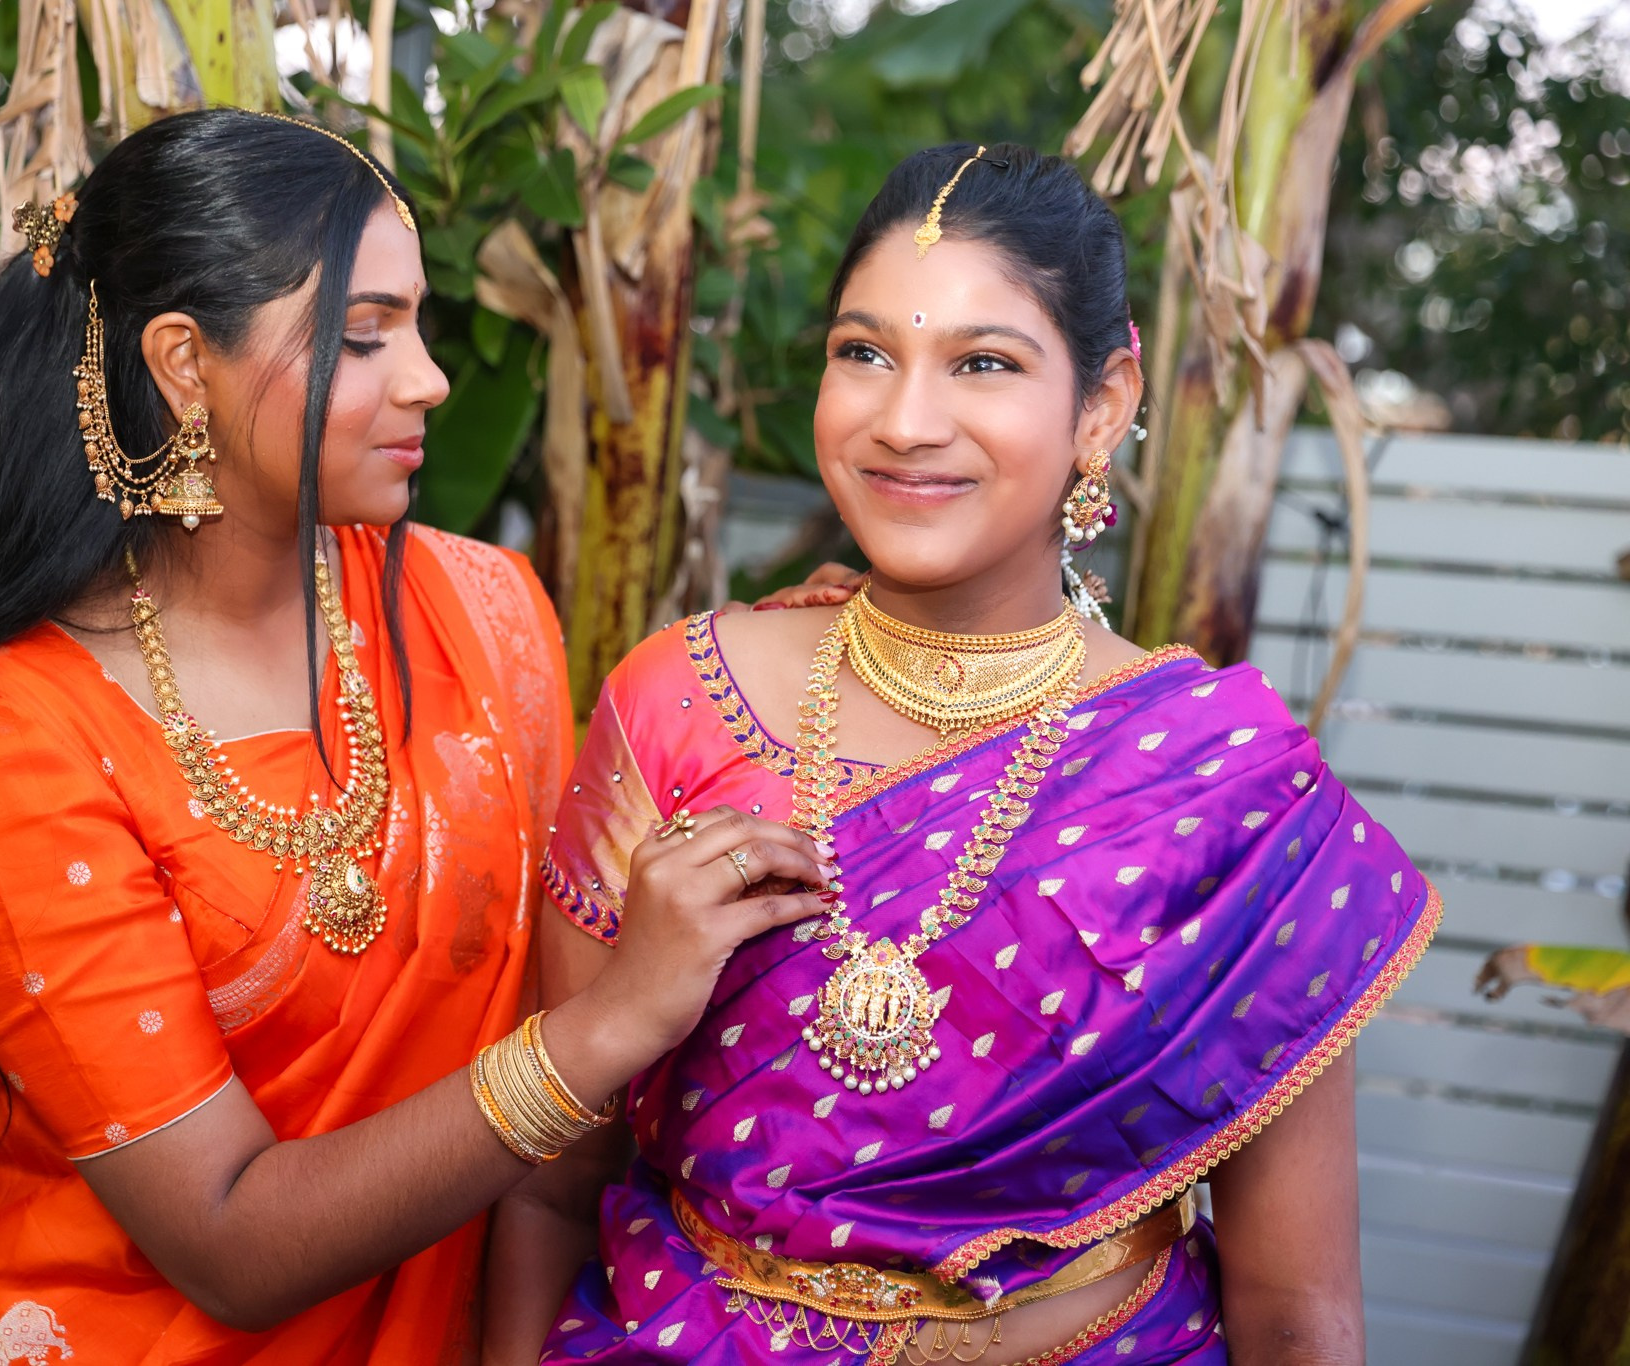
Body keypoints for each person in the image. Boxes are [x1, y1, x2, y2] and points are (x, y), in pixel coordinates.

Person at [0, 109, 835, 1365]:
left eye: (419, 324)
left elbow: (588, 903)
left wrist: (808, 676)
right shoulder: (8, 733)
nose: (430, 376)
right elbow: (225, 1241)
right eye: (365, 335)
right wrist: (605, 1031)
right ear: (183, 363)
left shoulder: (483, 613)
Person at [501, 143, 1440, 1365]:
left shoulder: (1219, 784)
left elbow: (1296, 1310)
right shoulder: (679, 699)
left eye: (981, 363)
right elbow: (547, 1186)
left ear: (1099, 405)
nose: (903, 421)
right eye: (862, 353)